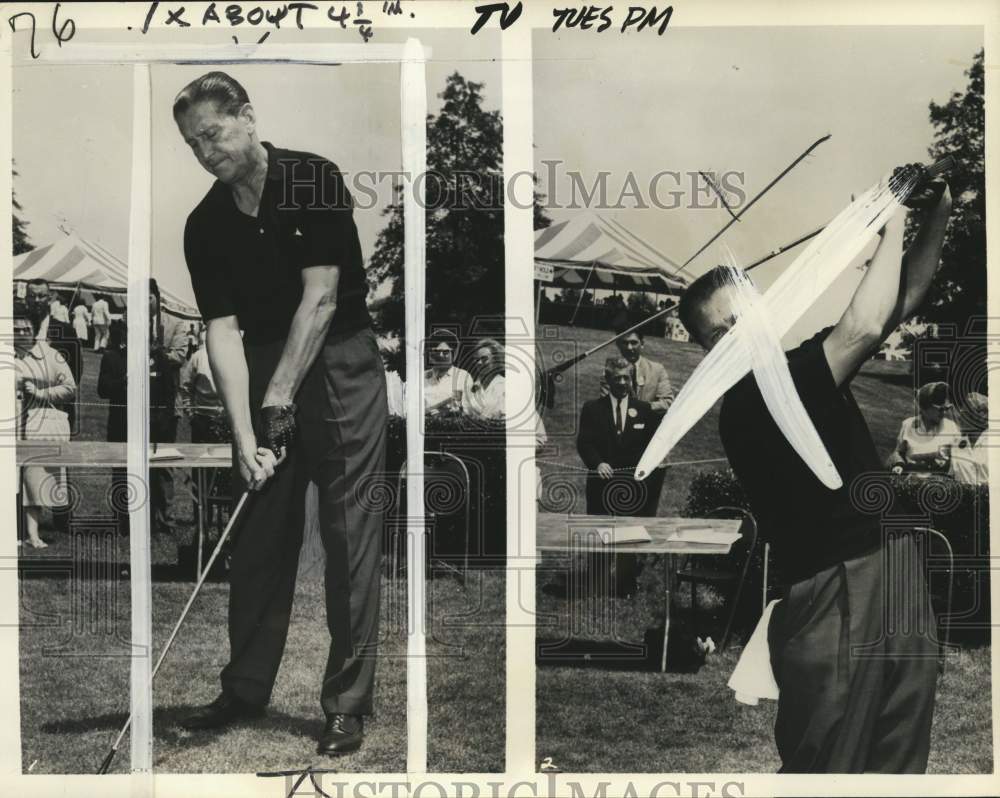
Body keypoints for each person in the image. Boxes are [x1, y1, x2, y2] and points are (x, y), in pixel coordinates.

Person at [676, 164, 952, 773]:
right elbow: (866, 323)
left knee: (898, 757)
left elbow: (903, 298)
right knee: (832, 762)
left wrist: (938, 210)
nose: (744, 333)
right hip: (840, 583)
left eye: (747, 313)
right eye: (725, 330)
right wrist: (892, 216)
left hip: (891, 564)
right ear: (707, 346)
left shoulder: (801, 364)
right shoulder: (752, 399)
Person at [174, 71, 386, 756]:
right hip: (264, 367)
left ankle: (346, 703)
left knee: (348, 540)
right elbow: (222, 333)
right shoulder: (203, 225)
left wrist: (281, 392)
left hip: (341, 365)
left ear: (247, 116)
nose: (206, 154)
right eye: (192, 145)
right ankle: (243, 690)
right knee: (261, 538)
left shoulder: (312, 179)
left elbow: (321, 298)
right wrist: (243, 436)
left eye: (213, 135)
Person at [575, 356, 657, 595]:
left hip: (631, 486)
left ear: (631, 379)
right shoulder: (592, 409)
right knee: (601, 531)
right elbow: (585, 442)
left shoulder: (643, 410)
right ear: (608, 379)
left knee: (628, 533)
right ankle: (596, 583)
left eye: (626, 377)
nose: (622, 382)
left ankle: (625, 585)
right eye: (617, 378)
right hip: (601, 485)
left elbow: (650, 446)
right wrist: (597, 463)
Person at [15, 305, 77, 549]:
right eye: (14, 329)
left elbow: (70, 388)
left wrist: (41, 393)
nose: (20, 333)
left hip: (35, 426)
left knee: (34, 480)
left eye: (25, 329)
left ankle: (32, 534)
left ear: (34, 329)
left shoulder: (51, 356)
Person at [600, 323, 675, 515]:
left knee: (647, 512)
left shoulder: (657, 370)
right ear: (618, 345)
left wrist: (639, 408)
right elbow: (606, 407)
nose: (630, 347)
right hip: (620, 454)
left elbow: (667, 402)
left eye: (634, 342)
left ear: (642, 343)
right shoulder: (610, 371)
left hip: (652, 451)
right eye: (624, 343)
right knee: (619, 509)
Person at [25, 278, 81, 534]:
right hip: (23, 408)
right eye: (32, 296)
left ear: (50, 298)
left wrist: (48, 394)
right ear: (26, 298)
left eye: (42, 296)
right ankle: (23, 520)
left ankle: (62, 520)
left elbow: (75, 373)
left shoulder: (65, 331)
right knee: (24, 462)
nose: (37, 301)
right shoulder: (19, 327)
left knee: (60, 463)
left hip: (56, 409)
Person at [149, 278, 190, 536]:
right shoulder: (131, 324)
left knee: (163, 462)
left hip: (166, 403)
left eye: (149, 297)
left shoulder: (176, 324)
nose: (145, 303)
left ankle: (166, 517)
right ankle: (138, 517)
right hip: (141, 403)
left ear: (157, 298)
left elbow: (179, 356)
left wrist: (155, 354)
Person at [887, 381, 962, 475]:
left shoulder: (951, 428)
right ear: (924, 407)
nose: (944, 413)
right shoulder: (908, 424)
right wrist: (898, 464)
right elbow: (898, 452)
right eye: (940, 409)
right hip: (911, 480)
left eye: (946, 409)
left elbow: (961, 458)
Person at [98, 319, 129, 537]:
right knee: (120, 471)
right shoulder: (110, 357)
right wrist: (123, 382)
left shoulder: (149, 356)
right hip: (119, 421)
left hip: (148, 424)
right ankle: (121, 518)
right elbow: (103, 389)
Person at [179, 325, 226, 443]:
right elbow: (185, 387)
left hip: (226, 418)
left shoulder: (232, 357)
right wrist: (191, 414)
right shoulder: (198, 357)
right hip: (201, 418)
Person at [424, 330, 471, 415]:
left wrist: (446, 412)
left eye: (446, 352)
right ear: (431, 354)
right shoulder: (421, 378)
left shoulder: (463, 376)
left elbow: (471, 409)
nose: (441, 355)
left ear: (453, 354)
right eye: (436, 351)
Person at [462, 338, 505, 420]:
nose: (479, 362)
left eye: (484, 359)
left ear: (496, 360)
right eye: (476, 359)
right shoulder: (469, 388)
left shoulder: (505, 385)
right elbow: (465, 415)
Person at [952, 391, 989, 486]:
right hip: (962, 498)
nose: (960, 417)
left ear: (980, 416)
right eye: (961, 412)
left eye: (966, 413)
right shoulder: (957, 443)